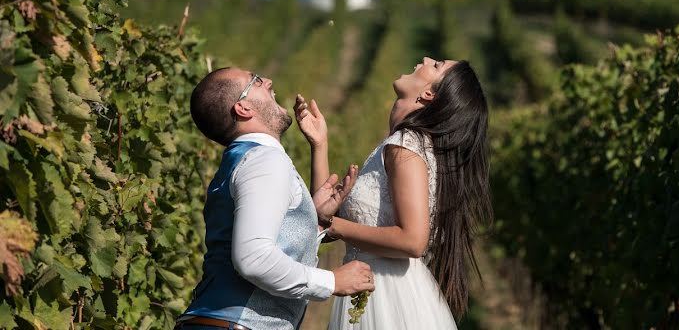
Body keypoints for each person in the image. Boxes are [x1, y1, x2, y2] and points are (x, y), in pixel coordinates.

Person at [295, 57, 491, 329]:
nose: (425, 60)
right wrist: (320, 145)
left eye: (436, 66)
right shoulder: (402, 143)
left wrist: (335, 224)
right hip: (375, 287)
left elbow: (413, 240)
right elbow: (323, 213)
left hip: (388, 297)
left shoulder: (406, 145)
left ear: (428, 94)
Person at [175, 68, 375, 330]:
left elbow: (267, 243)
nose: (267, 80)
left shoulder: (244, 159)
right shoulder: (263, 161)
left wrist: (312, 221)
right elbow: (253, 259)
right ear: (244, 108)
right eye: (255, 80)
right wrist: (332, 281)